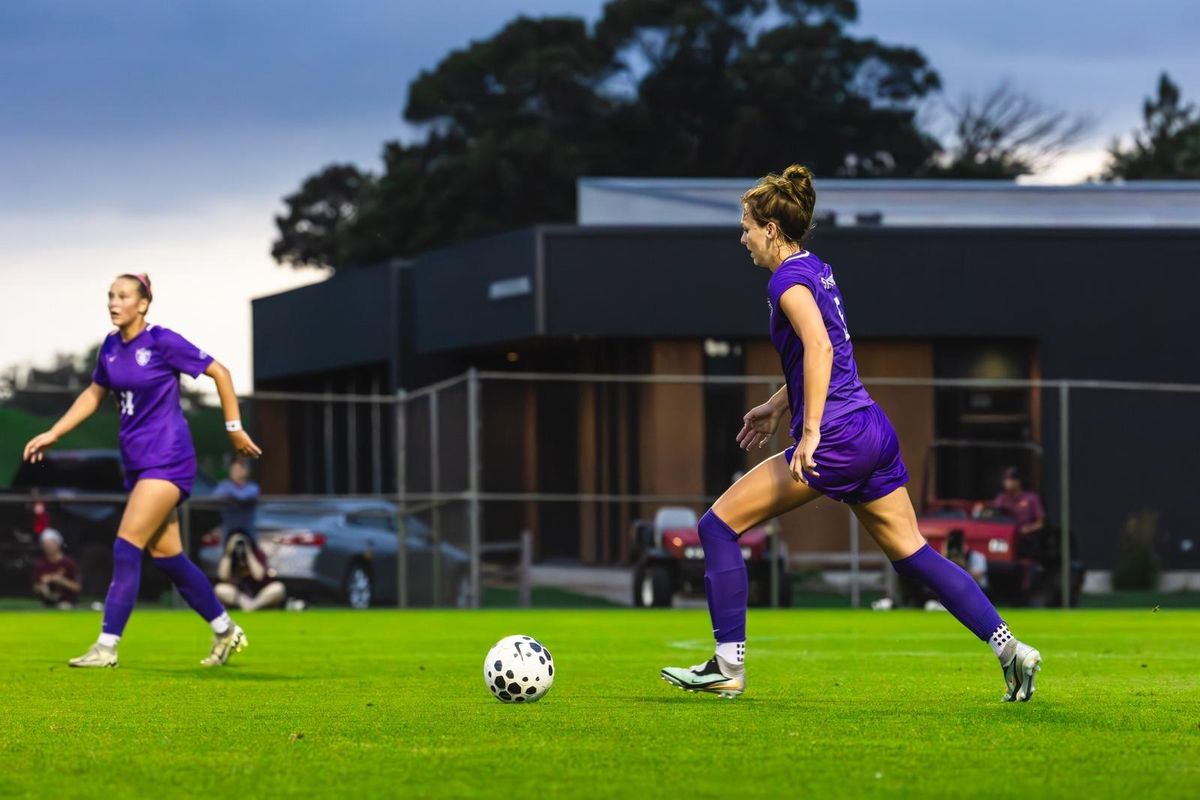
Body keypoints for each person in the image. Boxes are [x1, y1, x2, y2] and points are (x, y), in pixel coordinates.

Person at [660, 166, 1042, 702]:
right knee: (913, 553)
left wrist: (811, 432)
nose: (742, 237)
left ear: (771, 229)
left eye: (746, 227)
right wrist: (777, 405)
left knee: (717, 527)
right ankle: (1011, 650)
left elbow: (819, 348)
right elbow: (828, 352)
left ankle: (727, 666)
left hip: (837, 436)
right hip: (871, 429)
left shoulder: (784, 281)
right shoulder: (816, 269)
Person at [22, 273, 263, 668]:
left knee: (126, 544)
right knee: (168, 556)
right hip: (138, 463)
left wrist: (234, 429)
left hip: (168, 459)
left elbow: (220, 371)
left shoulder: (162, 341)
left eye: (123, 296)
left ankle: (107, 647)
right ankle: (225, 630)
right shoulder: (111, 347)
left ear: (144, 304)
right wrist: (54, 432)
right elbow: (94, 394)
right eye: (110, 296)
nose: (113, 303)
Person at [214, 532, 287, 611]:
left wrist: (249, 552)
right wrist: (228, 552)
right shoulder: (229, 557)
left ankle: (252, 606)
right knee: (219, 588)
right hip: (240, 596)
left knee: (278, 587)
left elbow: (258, 576)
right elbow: (223, 576)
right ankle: (248, 606)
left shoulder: (258, 553)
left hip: (259, 593)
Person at [214, 455, 260, 542]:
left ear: (246, 471)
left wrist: (230, 497)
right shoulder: (223, 485)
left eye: (238, 469)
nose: (235, 472)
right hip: (228, 531)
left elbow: (243, 497)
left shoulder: (252, 487)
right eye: (233, 469)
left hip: (247, 531)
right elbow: (216, 496)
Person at [31, 528, 81, 609]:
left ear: (58, 544)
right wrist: (43, 586)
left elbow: (77, 587)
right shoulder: (40, 564)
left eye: (51, 544)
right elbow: (35, 587)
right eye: (46, 545)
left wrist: (61, 580)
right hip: (47, 604)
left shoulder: (68, 562)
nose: (48, 547)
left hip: (67, 603)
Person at [992, 467, 1045, 535]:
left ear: (1018, 482)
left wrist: (1028, 529)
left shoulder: (1032, 497)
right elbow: (995, 517)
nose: (1007, 483)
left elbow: (1040, 524)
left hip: (1025, 536)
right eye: (1006, 480)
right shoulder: (1001, 498)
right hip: (1006, 535)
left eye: (1010, 480)